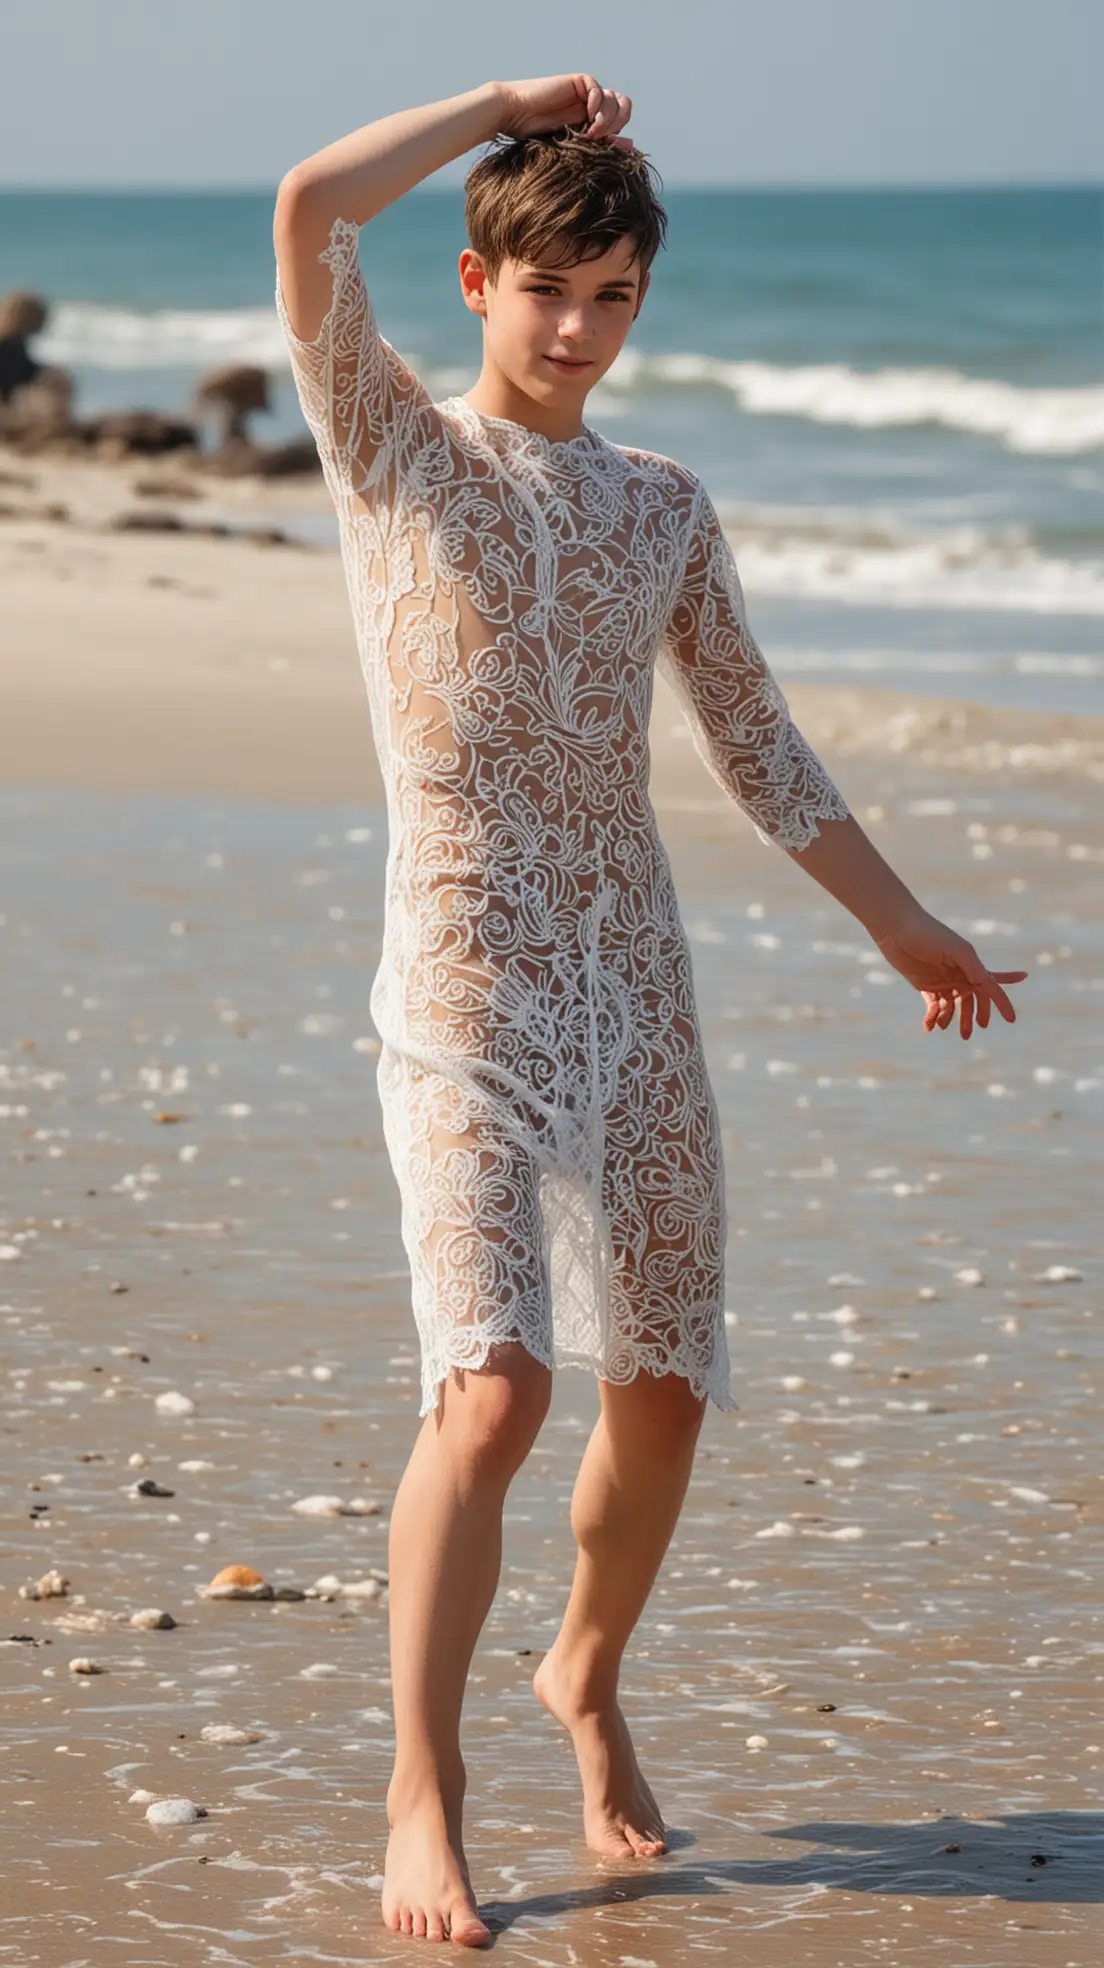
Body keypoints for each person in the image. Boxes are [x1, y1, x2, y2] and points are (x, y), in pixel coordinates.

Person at [272, 75, 1028, 1947]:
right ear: (477, 281)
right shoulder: (394, 450)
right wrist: (508, 106)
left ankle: (583, 1674)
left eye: (614, 297)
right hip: (460, 976)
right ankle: (421, 1795)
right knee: (499, 1383)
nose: (581, 330)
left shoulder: (666, 508)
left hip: (634, 983)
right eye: (550, 291)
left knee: (671, 1385)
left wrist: (904, 925)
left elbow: (759, 745)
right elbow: (305, 207)